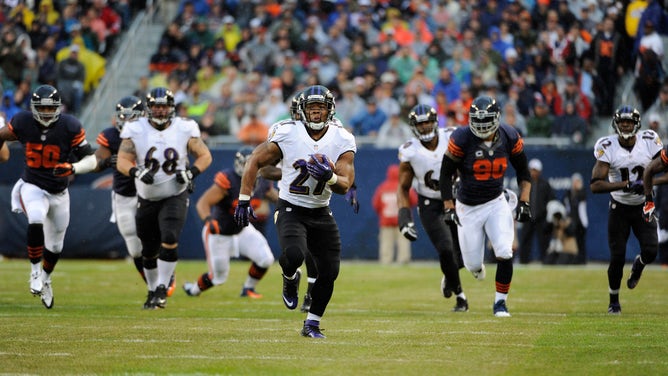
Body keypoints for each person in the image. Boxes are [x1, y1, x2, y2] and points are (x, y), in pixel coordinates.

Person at [234, 84, 356, 338]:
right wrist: (244, 198)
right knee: (293, 254)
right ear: (302, 110)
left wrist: (330, 178)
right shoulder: (288, 132)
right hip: (291, 208)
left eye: (320, 107)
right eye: (311, 107)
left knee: (330, 271)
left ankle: (311, 323)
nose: (315, 113)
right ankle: (290, 277)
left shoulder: (342, 138)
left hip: (321, 211)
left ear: (329, 110)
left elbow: (345, 185)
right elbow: (254, 160)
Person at [0, 84, 98, 309]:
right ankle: (34, 272)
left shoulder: (69, 125)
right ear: (34, 108)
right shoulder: (23, 121)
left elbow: (91, 160)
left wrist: (73, 168)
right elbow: (2, 135)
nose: (45, 113)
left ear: (57, 108)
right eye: (41, 108)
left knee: (55, 246)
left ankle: (45, 277)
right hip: (32, 185)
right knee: (35, 218)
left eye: (49, 108)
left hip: (59, 192)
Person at [116, 87, 212, 309]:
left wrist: (191, 173)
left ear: (172, 108)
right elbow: (122, 159)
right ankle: (152, 289)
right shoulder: (135, 128)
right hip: (147, 196)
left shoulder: (185, 127)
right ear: (149, 108)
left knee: (169, 238)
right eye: (156, 106)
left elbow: (205, 155)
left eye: (165, 106)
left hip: (174, 193)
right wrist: (136, 172)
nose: (160, 111)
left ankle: (161, 289)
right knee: (148, 249)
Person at [440, 95, 533, 317]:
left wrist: (525, 201)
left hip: (495, 202)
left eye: (486, 120)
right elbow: (444, 174)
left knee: (504, 251)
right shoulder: (462, 137)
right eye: (477, 120)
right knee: (473, 265)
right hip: (467, 206)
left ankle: (500, 304)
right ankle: (470, 267)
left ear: (497, 118)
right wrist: (448, 207)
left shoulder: (509, 135)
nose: (481, 126)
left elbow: (524, 172)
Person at [94, 96, 176, 296]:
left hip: (148, 194)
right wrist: (106, 162)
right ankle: (153, 283)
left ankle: (162, 282)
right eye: (124, 116)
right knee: (134, 248)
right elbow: (97, 162)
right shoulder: (111, 136)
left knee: (157, 238)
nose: (128, 121)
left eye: (133, 117)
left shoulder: (154, 133)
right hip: (124, 194)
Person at [397, 104, 469, 312]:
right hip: (430, 203)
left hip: (457, 200)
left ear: (435, 121)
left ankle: (449, 275)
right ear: (414, 127)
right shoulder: (410, 151)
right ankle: (460, 296)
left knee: (464, 255)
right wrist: (404, 218)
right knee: (446, 249)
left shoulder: (452, 136)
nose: (425, 126)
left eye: (428, 121)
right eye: (420, 124)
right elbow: (402, 188)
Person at [592, 105, 662, 315]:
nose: (625, 125)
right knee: (617, 257)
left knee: (651, 251)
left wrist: (648, 182)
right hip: (619, 206)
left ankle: (639, 265)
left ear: (636, 124)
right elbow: (595, 184)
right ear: (616, 123)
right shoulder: (607, 145)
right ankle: (614, 301)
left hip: (644, 205)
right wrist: (625, 185)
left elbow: (664, 168)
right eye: (622, 121)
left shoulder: (649, 141)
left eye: (629, 122)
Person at [183, 147, 275, 298]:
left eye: (251, 163)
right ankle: (193, 290)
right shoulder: (229, 179)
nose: (248, 167)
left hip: (242, 229)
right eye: (245, 163)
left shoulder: (263, 181)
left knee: (265, 259)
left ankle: (248, 289)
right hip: (220, 232)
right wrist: (208, 221)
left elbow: (275, 197)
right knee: (218, 278)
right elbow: (203, 204)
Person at [372, 164, 416, 265]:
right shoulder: (404, 186)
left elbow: (376, 204)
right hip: (403, 220)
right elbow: (414, 201)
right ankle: (404, 261)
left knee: (386, 243)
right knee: (403, 242)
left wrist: (383, 214)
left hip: (386, 221)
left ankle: (386, 261)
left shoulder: (382, 187)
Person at [517, 158, 555, 264]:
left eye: (535, 170)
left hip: (541, 218)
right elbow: (520, 198)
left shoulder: (545, 184)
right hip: (527, 217)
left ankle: (545, 261)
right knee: (525, 240)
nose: (533, 172)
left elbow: (551, 200)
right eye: (531, 170)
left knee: (544, 241)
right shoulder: (525, 184)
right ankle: (523, 261)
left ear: (539, 171)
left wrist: (545, 212)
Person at [564, 172, 588, 264]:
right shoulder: (568, 193)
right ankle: (573, 259)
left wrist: (584, 223)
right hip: (571, 222)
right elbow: (567, 207)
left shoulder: (582, 193)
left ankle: (582, 260)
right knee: (572, 242)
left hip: (580, 222)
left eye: (578, 181)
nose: (576, 183)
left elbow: (581, 208)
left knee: (581, 242)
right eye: (575, 181)